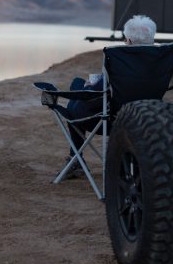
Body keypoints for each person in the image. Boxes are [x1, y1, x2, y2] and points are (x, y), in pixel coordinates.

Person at [64, 14, 157, 172]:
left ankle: (76, 158)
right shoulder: (161, 59)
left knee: (76, 91)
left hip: (110, 121)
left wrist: (90, 87)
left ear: (129, 41)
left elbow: (95, 97)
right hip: (146, 119)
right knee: (78, 87)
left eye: (125, 38)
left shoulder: (118, 58)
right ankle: (76, 159)